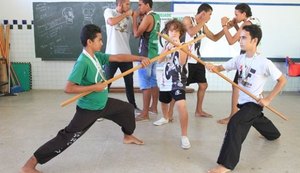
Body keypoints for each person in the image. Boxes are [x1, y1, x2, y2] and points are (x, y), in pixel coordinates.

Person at [20, 24, 151, 173]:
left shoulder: (96, 56)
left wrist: (140, 58)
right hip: (88, 109)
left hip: (103, 104)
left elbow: (119, 57)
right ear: (90, 42)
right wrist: (93, 88)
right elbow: (68, 88)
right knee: (67, 137)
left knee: (127, 109)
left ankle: (127, 136)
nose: (102, 43)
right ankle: (29, 164)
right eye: (100, 40)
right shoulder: (83, 62)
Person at [206, 24, 286, 173]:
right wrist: (212, 67)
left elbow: (282, 80)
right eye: (240, 37)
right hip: (244, 103)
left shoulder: (264, 62)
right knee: (255, 118)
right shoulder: (239, 59)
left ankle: (226, 165)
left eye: (244, 38)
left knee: (236, 123)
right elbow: (220, 68)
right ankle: (273, 134)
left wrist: (267, 99)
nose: (240, 41)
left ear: (254, 40)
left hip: (254, 103)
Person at [218, 3, 261, 124]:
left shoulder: (246, 23)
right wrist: (236, 25)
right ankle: (254, 116)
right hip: (254, 58)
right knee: (252, 88)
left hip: (247, 59)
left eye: (236, 14)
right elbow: (243, 37)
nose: (235, 17)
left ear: (244, 14)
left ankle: (233, 116)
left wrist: (224, 25)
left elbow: (232, 41)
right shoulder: (253, 21)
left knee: (236, 86)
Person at [182, 3, 225, 118]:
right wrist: (203, 21)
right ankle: (169, 113)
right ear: (203, 13)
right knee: (180, 87)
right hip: (186, 60)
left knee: (203, 85)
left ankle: (199, 110)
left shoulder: (202, 25)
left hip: (197, 60)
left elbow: (214, 38)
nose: (210, 18)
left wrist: (226, 29)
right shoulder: (187, 19)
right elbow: (191, 32)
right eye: (209, 15)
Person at [153, 19, 191, 149]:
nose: (173, 33)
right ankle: (165, 117)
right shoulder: (165, 45)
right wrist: (166, 49)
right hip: (165, 79)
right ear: (167, 32)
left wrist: (178, 46)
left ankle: (184, 136)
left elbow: (181, 62)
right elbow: (159, 61)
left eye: (176, 30)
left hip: (178, 79)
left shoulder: (185, 45)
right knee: (164, 101)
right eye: (171, 30)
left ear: (180, 33)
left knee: (181, 105)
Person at [104, 0, 141, 114]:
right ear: (119, 4)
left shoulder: (130, 18)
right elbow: (111, 22)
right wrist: (125, 14)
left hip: (126, 56)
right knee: (106, 83)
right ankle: (100, 108)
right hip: (111, 55)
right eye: (127, 4)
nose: (129, 6)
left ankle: (133, 106)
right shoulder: (109, 11)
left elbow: (135, 33)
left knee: (129, 82)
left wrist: (134, 17)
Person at [132, 0, 160, 121]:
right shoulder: (156, 16)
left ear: (147, 5)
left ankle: (144, 113)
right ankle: (153, 108)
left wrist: (134, 18)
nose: (139, 8)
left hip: (145, 56)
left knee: (145, 84)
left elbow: (136, 34)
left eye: (140, 5)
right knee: (153, 81)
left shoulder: (148, 17)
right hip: (154, 54)